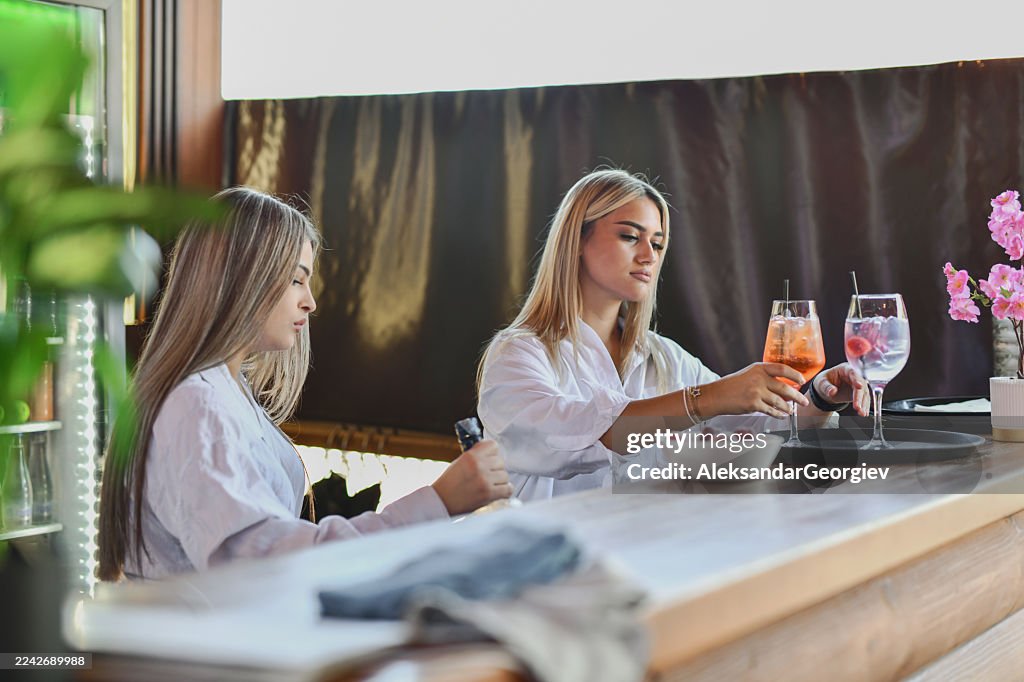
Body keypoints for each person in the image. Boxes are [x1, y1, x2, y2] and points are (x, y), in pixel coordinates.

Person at [98, 187, 511, 580]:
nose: (309, 302)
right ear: (244, 278)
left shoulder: (228, 392)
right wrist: (437, 502)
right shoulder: (196, 405)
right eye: (297, 279)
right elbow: (262, 561)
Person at [477, 169, 869, 501]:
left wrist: (819, 396)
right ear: (577, 240)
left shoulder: (661, 355)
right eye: (630, 236)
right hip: (555, 569)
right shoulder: (518, 354)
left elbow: (754, 428)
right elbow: (567, 438)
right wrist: (708, 398)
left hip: (653, 553)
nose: (649, 255)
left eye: (658, 243)